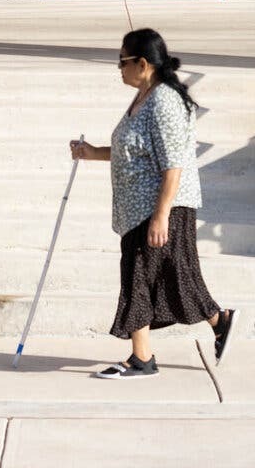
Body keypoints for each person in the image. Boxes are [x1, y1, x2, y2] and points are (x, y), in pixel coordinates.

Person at [69, 28, 236, 379]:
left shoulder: (164, 102)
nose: (119, 68)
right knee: (172, 276)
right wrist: (91, 153)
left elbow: (174, 165)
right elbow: (134, 150)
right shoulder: (145, 96)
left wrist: (161, 216)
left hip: (160, 208)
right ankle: (218, 322)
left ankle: (142, 358)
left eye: (122, 61)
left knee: (141, 277)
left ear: (142, 64)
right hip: (139, 210)